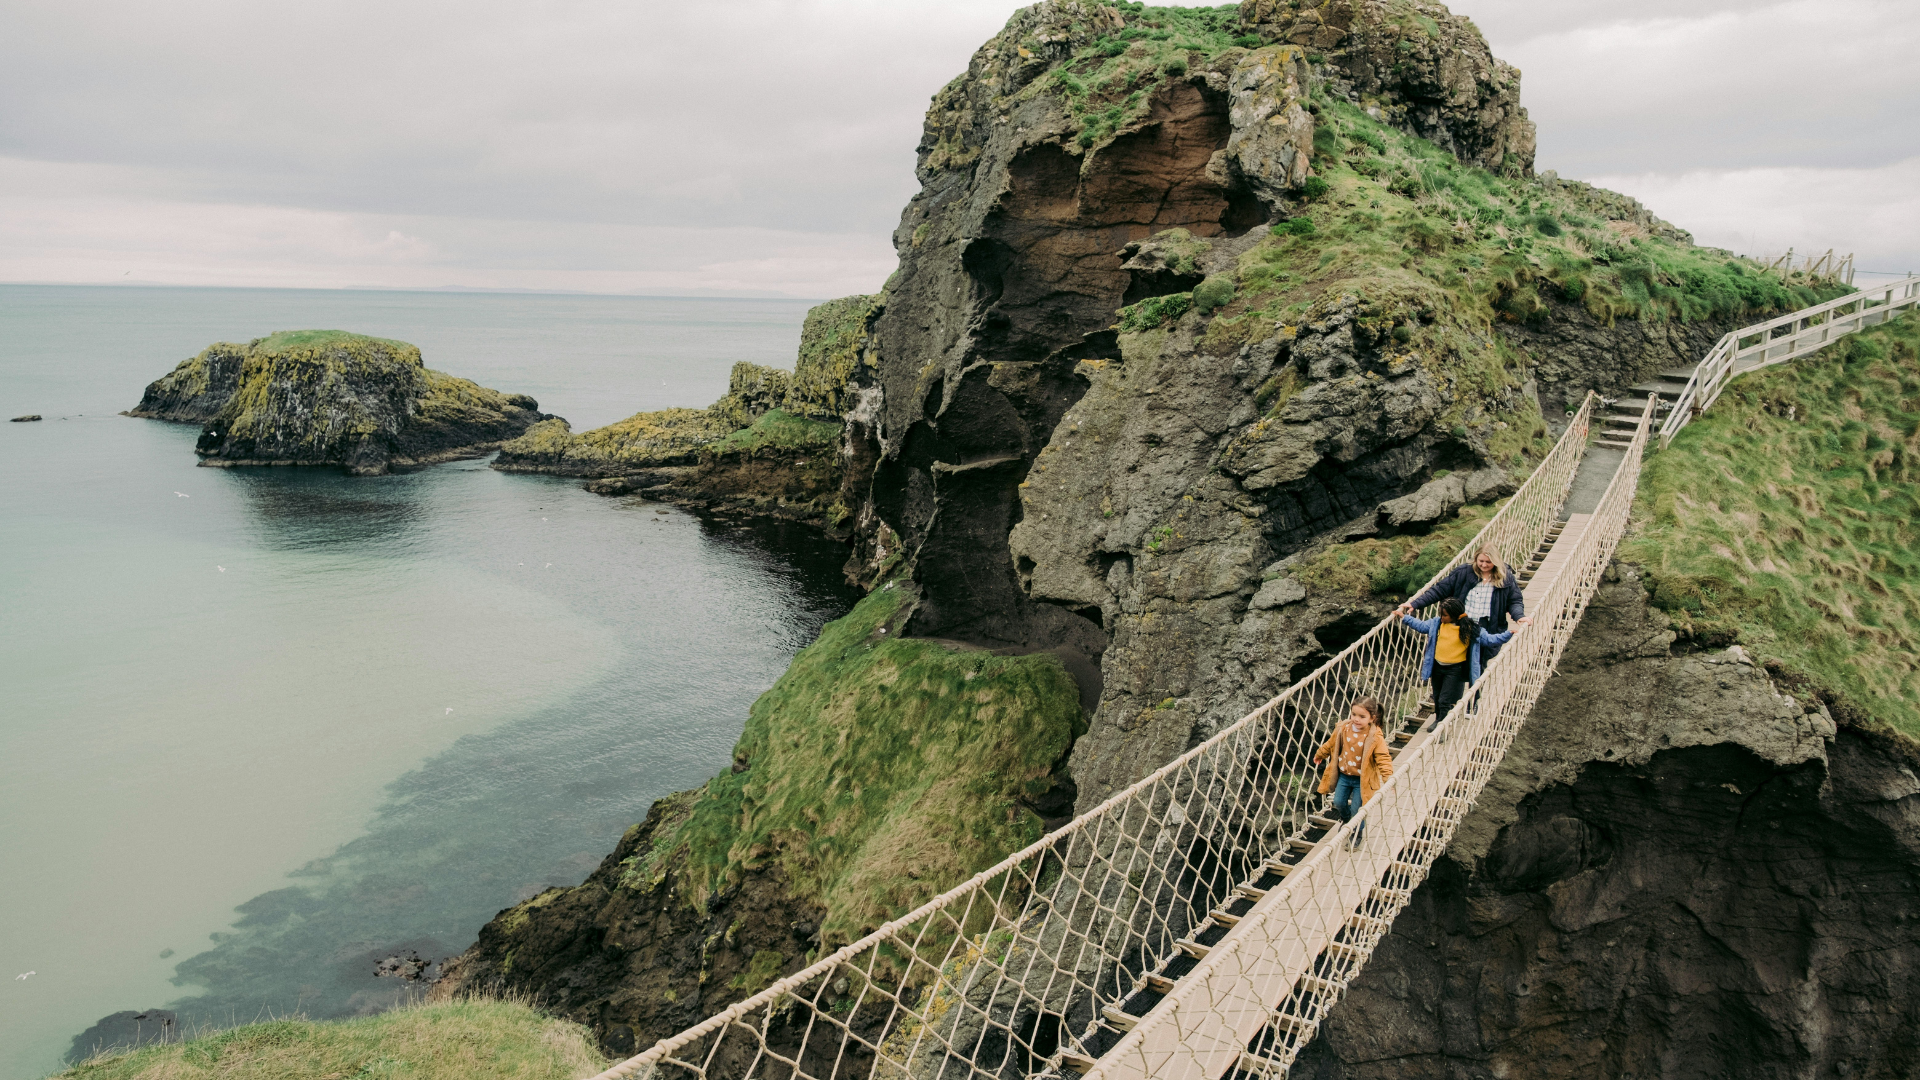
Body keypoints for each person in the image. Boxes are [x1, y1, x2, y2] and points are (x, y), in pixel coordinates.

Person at [1394, 546, 1531, 662]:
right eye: (1481, 561)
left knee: (1478, 662)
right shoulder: (1464, 573)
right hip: (1460, 624)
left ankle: (1476, 693)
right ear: (1476, 558)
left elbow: (1514, 601)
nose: (1483, 565)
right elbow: (1440, 589)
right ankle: (1453, 691)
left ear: (1496, 562)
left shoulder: (1506, 577)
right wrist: (1416, 603)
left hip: (1487, 626)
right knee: (1455, 659)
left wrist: (1519, 616)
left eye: (1488, 562)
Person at [1402, 596, 1518, 722]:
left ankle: (1441, 725)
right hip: (1437, 667)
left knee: (1444, 699)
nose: (1442, 618)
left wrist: (1508, 635)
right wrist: (1405, 618)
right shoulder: (1437, 624)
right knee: (1437, 696)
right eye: (1441, 614)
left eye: (1444, 615)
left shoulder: (1471, 628)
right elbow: (1421, 626)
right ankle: (1438, 720)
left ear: (1455, 616)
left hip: (1454, 669)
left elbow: (1490, 640)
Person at [1314, 697, 1393, 848]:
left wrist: (1388, 777)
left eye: (1362, 717)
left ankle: (1357, 832)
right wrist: (1320, 754)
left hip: (1361, 780)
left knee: (1358, 809)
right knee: (1338, 802)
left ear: (1372, 718)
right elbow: (1331, 744)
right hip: (1344, 775)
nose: (1356, 719)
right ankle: (1345, 819)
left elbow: (1383, 757)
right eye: (1353, 714)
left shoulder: (1374, 736)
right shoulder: (1343, 728)